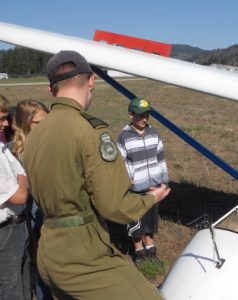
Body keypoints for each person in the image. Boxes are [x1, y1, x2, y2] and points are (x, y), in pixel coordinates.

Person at [23, 50, 170, 299]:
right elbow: (114, 205)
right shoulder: (92, 131)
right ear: (91, 80)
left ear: (51, 90)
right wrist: (151, 198)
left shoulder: (36, 132)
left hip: (48, 250)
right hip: (82, 256)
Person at [9, 99, 52, 300]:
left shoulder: (52, 144)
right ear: (25, 123)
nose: (44, 127)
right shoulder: (12, 152)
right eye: (37, 123)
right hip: (25, 216)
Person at [117, 97, 169, 261]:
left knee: (151, 221)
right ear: (131, 114)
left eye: (147, 115)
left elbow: (161, 158)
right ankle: (139, 252)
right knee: (136, 222)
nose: (144, 119)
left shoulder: (154, 133)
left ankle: (150, 249)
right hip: (135, 190)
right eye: (140, 115)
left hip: (153, 187)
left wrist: (164, 180)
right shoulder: (124, 137)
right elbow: (121, 162)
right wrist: (127, 180)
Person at [0, 137, 31, 300]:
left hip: (18, 225)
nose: (5, 123)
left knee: (23, 283)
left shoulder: (3, 149)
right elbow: (20, 196)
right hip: (5, 231)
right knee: (10, 288)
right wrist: (21, 174)